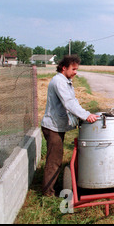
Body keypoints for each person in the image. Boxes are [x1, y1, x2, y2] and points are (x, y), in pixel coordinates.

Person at [41, 55, 98, 196]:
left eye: (76, 69)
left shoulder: (65, 81)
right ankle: (48, 193)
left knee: (56, 158)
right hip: (52, 126)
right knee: (54, 161)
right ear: (64, 68)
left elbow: (73, 100)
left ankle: (52, 187)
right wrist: (86, 115)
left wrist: (84, 113)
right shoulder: (59, 82)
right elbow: (69, 103)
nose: (75, 72)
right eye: (73, 69)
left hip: (57, 125)